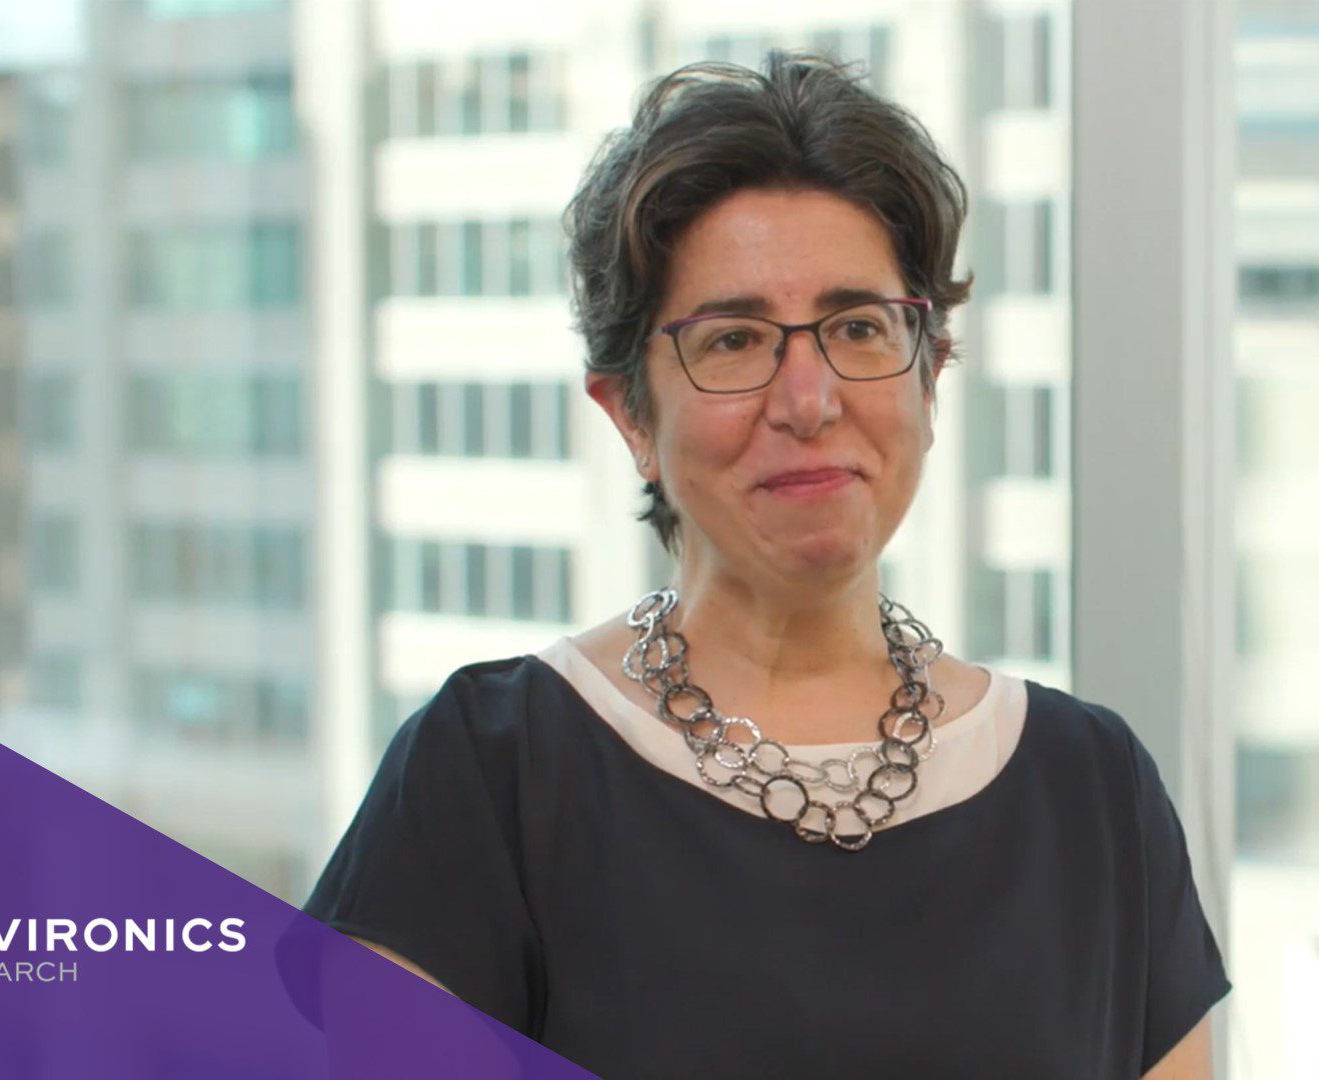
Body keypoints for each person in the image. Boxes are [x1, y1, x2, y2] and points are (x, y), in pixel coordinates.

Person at [295, 51, 1231, 1078]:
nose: (809, 397)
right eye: (736, 340)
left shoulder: (1093, 790)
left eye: (860, 327)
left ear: (932, 380)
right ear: (630, 415)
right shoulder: (493, 774)